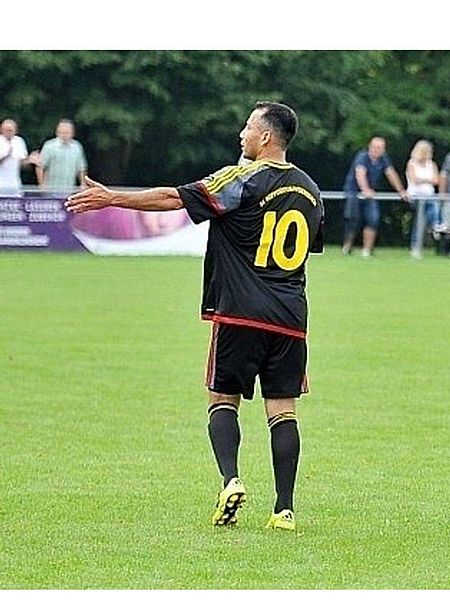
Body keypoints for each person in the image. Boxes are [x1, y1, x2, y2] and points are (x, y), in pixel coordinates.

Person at [66, 101, 324, 533]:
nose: (241, 134)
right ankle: (284, 510)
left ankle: (231, 480)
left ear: (265, 137)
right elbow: (305, 249)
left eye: (247, 127)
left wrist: (113, 198)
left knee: (222, 400)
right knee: (283, 411)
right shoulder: (311, 191)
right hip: (290, 319)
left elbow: (175, 197)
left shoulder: (242, 176)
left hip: (240, 313)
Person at [341, 136, 409, 257]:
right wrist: (365, 189)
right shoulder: (362, 157)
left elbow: (391, 174)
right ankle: (347, 247)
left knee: (373, 219)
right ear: (370, 147)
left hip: (370, 193)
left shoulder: (383, 159)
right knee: (353, 220)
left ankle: (367, 250)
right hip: (354, 192)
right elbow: (360, 173)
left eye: (380, 148)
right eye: (375, 147)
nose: (377, 150)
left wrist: (401, 191)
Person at [405, 139, 441, 259]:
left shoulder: (432, 164)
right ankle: (435, 224)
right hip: (416, 196)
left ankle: (435, 225)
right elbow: (414, 179)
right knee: (419, 221)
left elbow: (436, 180)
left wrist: (424, 180)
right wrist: (428, 179)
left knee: (430, 210)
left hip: (429, 194)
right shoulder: (412, 163)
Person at [36, 119, 88, 191]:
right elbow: (40, 167)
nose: (64, 135)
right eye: (62, 132)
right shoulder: (49, 146)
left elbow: (81, 168)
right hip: (51, 189)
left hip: (70, 189)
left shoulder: (77, 147)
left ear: (72, 133)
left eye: (67, 133)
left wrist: (83, 183)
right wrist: (41, 185)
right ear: (57, 132)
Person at [0, 118, 39, 195]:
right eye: (6, 130)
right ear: (1, 130)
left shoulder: (19, 141)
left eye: (10, 130)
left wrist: (29, 160)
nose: (8, 132)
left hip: (15, 184)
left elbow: (22, 164)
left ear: (15, 130)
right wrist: (6, 155)